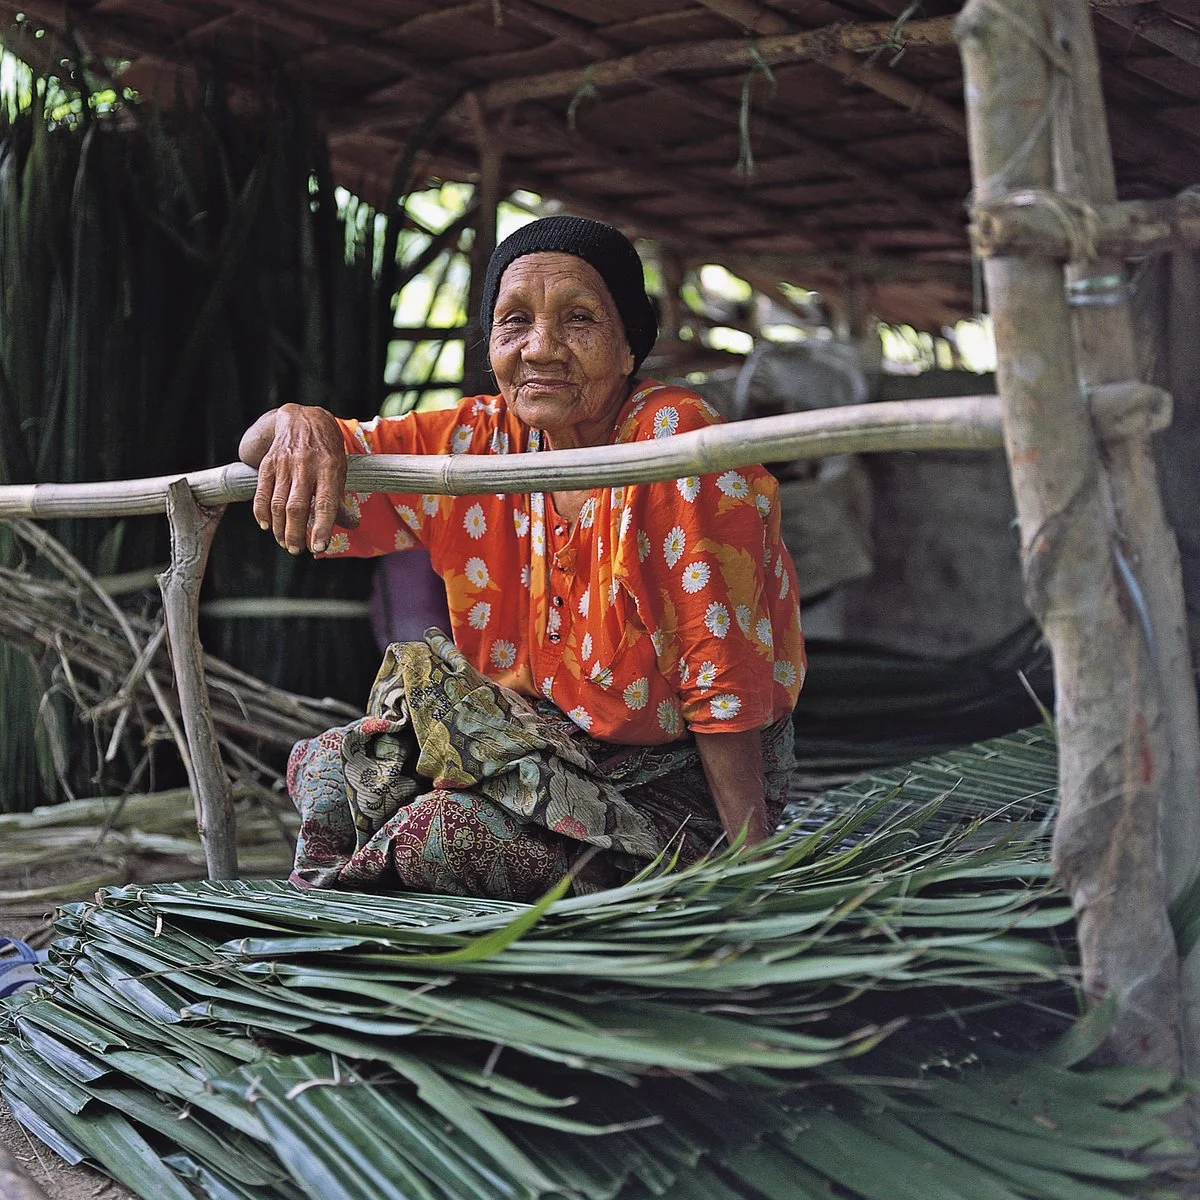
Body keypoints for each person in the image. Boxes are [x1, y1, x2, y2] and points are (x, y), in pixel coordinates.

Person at [239, 216, 806, 899]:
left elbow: (721, 667)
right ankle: (342, 902)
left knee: (440, 834)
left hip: (674, 785)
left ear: (628, 347)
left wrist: (748, 863)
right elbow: (271, 450)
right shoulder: (481, 439)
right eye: (514, 322)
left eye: (578, 319)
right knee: (329, 767)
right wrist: (302, 422)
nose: (542, 348)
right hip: (531, 749)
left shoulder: (672, 441)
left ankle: (331, 907)